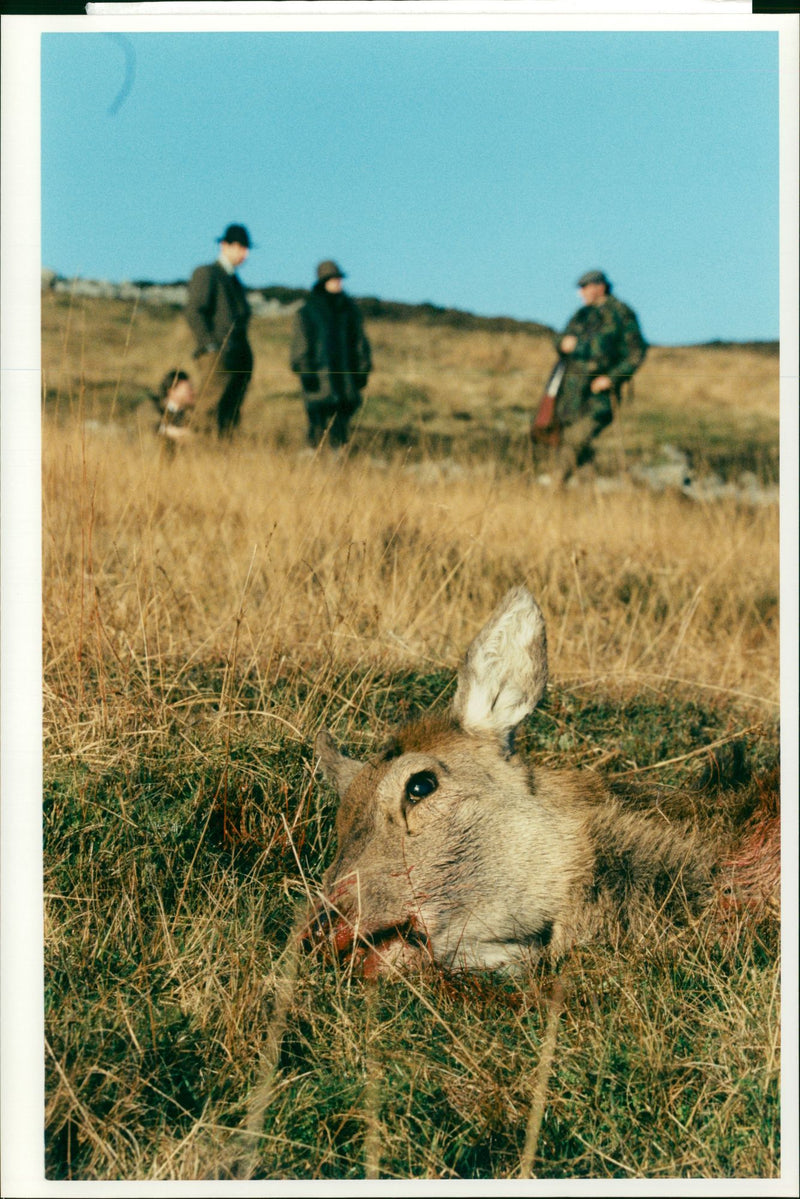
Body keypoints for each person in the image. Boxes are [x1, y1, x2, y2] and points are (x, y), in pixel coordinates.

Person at [551, 269, 647, 485]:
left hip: (599, 396)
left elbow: (636, 353)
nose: (581, 294)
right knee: (573, 444)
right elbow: (560, 339)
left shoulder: (621, 313)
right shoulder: (581, 315)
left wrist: (612, 378)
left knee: (576, 439)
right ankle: (590, 501)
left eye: (585, 288)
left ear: (599, 286)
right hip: (571, 392)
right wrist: (562, 344)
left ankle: (554, 486)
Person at [290, 259, 372, 448]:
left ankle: (338, 466)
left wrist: (362, 371)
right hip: (319, 382)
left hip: (346, 384)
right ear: (323, 282)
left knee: (341, 431)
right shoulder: (308, 312)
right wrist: (306, 372)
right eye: (333, 279)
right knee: (317, 430)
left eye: (339, 279)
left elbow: (360, 345)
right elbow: (300, 346)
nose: (338, 283)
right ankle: (314, 467)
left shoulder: (350, 311)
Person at [185, 223, 254, 437]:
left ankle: (220, 458)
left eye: (246, 247)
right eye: (240, 246)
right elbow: (194, 311)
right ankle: (197, 458)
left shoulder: (235, 280)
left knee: (230, 414)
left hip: (237, 358)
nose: (245, 253)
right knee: (208, 410)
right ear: (225, 245)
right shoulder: (208, 273)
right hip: (217, 355)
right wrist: (210, 346)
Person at [152, 368, 196, 448]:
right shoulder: (154, 409)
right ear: (171, 391)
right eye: (188, 389)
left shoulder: (192, 413)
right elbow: (147, 426)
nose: (193, 392)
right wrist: (169, 431)